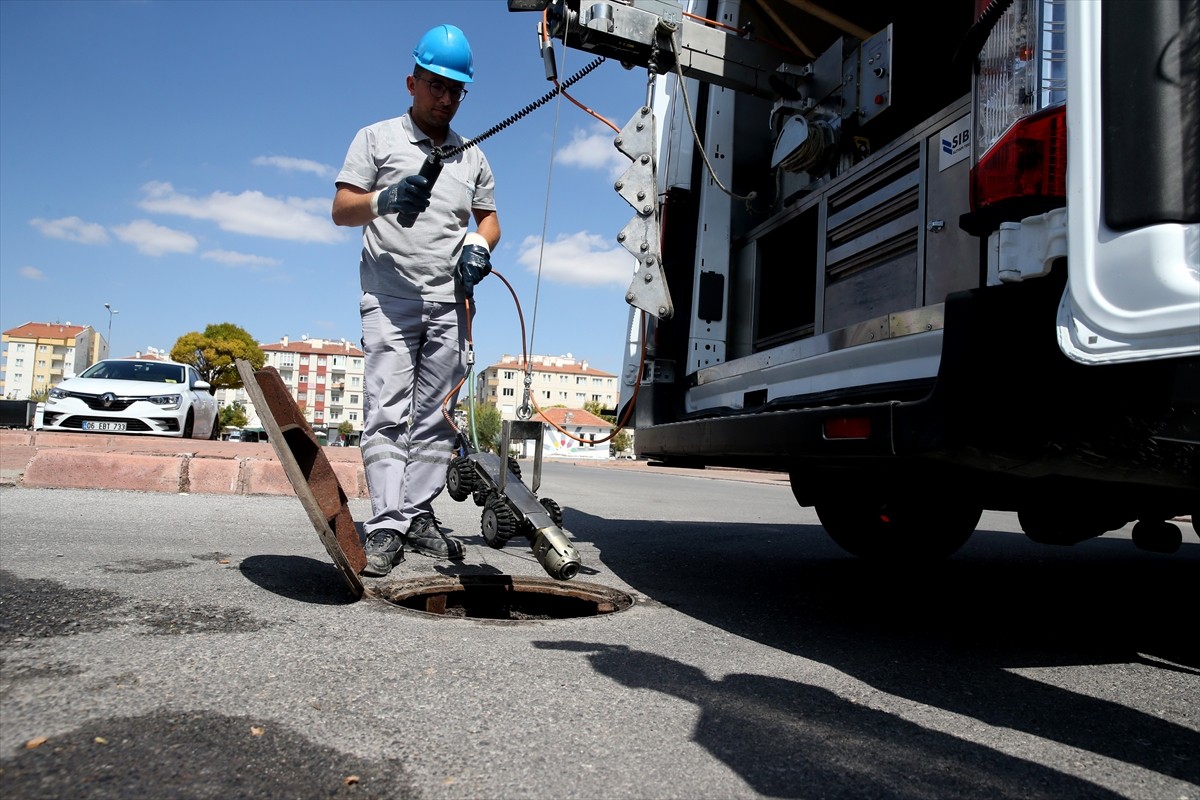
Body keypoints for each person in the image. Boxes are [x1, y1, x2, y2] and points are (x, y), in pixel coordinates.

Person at [331, 23, 500, 577]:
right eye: (436, 86)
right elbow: (341, 208)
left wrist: (478, 244)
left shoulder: (471, 156)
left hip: (450, 302)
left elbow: (490, 220)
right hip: (390, 297)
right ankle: (385, 524)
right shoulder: (376, 139)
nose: (446, 98)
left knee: (434, 418)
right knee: (386, 408)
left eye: (457, 90)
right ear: (412, 81)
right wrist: (384, 199)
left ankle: (417, 513)